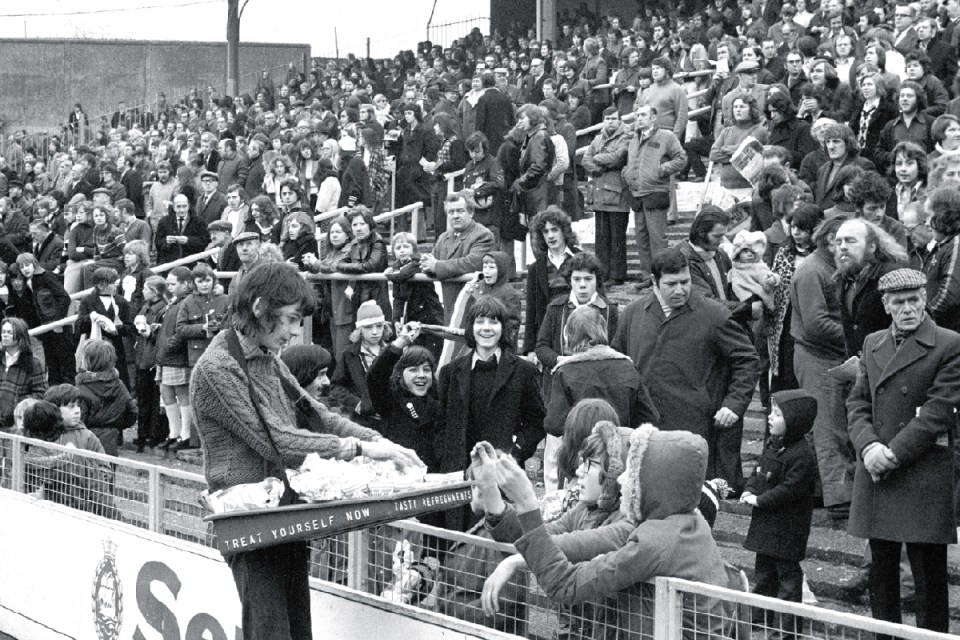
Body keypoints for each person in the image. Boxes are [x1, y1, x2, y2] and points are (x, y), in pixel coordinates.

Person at [191, 261, 421, 640]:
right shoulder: (217, 368)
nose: (296, 331)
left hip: (284, 512)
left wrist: (380, 442)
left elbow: (318, 415)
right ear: (261, 308)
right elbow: (278, 440)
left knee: (298, 629)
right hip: (248, 522)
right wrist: (358, 447)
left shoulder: (268, 360)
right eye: (291, 319)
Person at [474, 424, 744, 639]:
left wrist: (526, 503)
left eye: (636, 473)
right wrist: (491, 493)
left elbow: (564, 584)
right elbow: (547, 539)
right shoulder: (686, 523)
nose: (625, 478)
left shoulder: (650, 537)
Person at [846, 268, 960, 633]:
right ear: (886, 305)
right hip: (877, 469)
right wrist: (867, 447)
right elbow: (857, 404)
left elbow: (937, 411)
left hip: (921, 470)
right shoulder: (873, 343)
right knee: (882, 574)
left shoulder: (949, 343)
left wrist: (891, 454)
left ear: (925, 299)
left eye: (914, 300)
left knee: (929, 579)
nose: (908, 309)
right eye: (899, 302)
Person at [612, 248, 759, 492]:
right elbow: (619, 363)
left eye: (685, 282)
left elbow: (747, 360)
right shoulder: (633, 314)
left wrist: (734, 403)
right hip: (646, 427)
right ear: (655, 282)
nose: (680, 290)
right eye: (671, 284)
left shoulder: (713, 314)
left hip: (693, 427)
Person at [436, 296, 545, 530]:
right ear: (471, 327)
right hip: (459, 479)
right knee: (459, 548)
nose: (486, 328)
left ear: (503, 328)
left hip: (502, 476)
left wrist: (513, 456)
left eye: (493, 322)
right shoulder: (450, 372)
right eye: (480, 321)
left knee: (499, 539)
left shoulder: (523, 371)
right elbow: (441, 424)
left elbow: (537, 422)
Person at [741, 389, 818, 636]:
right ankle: (757, 619)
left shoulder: (803, 455)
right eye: (771, 412)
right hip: (766, 525)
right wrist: (749, 489)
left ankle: (785, 631)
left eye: (777, 414)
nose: (769, 418)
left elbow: (790, 490)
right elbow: (757, 471)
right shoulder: (772, 444)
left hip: (787, 529)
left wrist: (760, 500)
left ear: (794, 420)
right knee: (763, 575)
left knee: (787, 579)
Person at [543, 304, 658, 439]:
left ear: (568, 335)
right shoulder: (627, 367)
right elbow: (650, 418)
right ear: (603, 331)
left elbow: (554, 425)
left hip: (582, 452)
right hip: (620, 450)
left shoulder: (565, 372)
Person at [621, 103, 687, 289]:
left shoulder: (667, 136)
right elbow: (630, 162)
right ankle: (647, 277)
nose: (638, 118)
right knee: (641, 238)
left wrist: (663, 169)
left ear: (653, 118)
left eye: (643, 115)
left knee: (658, 239)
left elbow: (681, 158)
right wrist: (627, 173)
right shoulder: (634, 139)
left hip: (655, 193)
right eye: (637, 115)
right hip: (637, 194)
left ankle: (662, 277)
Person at [366, 322, 440, 471]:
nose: (421, 375)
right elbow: (375, 376)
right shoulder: (390, 402)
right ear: (400, 374)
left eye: (426, 370)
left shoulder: (440, 403)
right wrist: (402, 341)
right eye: (413, 370)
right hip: (401, 479)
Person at [419, 192, 495, 321]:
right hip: (450, 309)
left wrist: (437, 266)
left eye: (460, 211)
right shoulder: (444, 237)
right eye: (451, 212)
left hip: (475, 310)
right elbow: (430, 263)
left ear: (471, 212)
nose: (455, 216)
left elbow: (473, 263)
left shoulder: (482, 235)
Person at [582, 107, 631, 285]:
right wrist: (598, 164)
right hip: (599, 193)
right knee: (601, 239)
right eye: (607, 118)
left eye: (613, 119)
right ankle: (602, 274)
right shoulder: (598, 138)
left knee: (617, 238)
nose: (610, 121)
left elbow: (618, 158)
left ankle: (617, 275)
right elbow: (585, 160)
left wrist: (597, 158)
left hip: (617, 193)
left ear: (620, 121)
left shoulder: (626, 136)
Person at [330, 301, 390, 427]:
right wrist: (357, 404)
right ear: (360, 329)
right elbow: (336, 386)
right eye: (368, 327)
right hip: (362, 420)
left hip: (389, 420)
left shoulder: (391, 352)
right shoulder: (350, 353)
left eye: (379, 326)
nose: (375, 332)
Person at [75, 267, 135, 390]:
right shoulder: (88, 301)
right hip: (93, 350)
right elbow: (79, 327)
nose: (116, 287)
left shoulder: (121, 302)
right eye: (113, 284)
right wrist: (92, 318)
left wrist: (118, 328)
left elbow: (130, 328)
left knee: (118, 383)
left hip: (115, 350)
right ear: (101, 285)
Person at [75, 339, 137, 457]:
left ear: (89, 360)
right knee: (108, 473)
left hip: (87, 441)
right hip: (111, 442)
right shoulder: (119, 384)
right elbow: (132, 411)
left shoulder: (81, 387)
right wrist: (118, 426)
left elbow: (79, 418)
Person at [132, 275, 167, 452]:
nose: (143, 291)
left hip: (153, 360)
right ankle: (141, 434)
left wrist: (149, 334)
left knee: (154, 401)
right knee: (143, 400)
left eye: (146, 289)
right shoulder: (145, 307)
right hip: (142, 359)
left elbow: (163, 336)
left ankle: (153, 436)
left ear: (154, 292)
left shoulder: (164, 310)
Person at [923, 187, 960, 332]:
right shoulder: (945, 245)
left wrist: (924, 320)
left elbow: (950, 294)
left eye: (928, 216)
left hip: (949, 334)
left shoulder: (957, 244)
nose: (926, 223)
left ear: (944, 216)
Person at [0, 317, 47, 430]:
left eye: (10, 332)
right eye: (3, 332)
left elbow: (40, 394)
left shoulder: (33, 364)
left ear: (20, 336)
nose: (5, 335)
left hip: (17, 426)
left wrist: (15, 401)